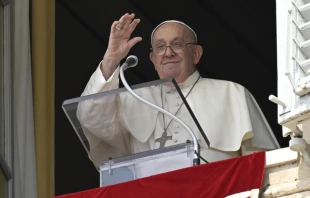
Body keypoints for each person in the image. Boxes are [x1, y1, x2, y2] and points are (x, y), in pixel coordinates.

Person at [77, 13, 279, 168]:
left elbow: (265, 164)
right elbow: (90, 118)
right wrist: (112, 59)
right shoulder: (135, 99)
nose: (168, 53)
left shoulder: (232, 94)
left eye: (177, 44)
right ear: (153, 59)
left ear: (196, 54)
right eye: (160, 47)